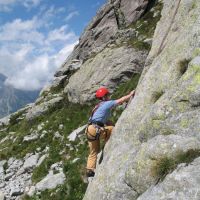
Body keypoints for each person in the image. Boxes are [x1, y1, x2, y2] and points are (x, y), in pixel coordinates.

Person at [85, 87, 135, 177]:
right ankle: (109, 144)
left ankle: (90, 170)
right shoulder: (107, 103)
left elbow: (105, 121)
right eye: (107, 95)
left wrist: (111, 124)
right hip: (95, 129)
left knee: (93, 151)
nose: (109, 96)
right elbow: (120, 100)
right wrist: (130, 95)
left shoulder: (97, 107)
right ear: (104, 97)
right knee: (112, 129)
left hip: (89, 130)